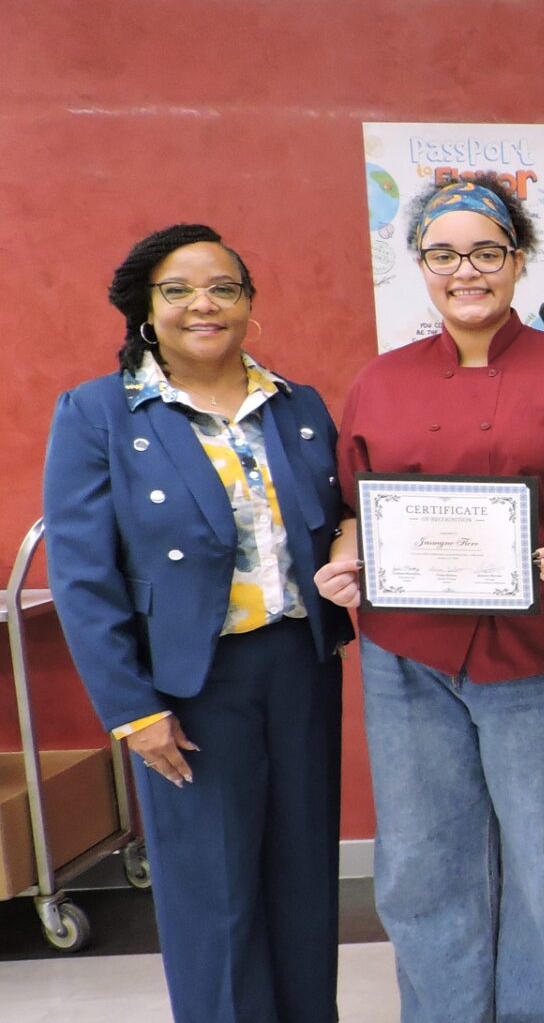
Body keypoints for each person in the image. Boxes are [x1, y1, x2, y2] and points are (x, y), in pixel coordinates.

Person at [313, 176, 544, 1023]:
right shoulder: (379, 381)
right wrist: (348, 559)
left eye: (488, 251)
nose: (467, 270)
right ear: (419, 264)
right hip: (408, 658)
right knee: (423, 868)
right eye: (445, 253)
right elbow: (352, 506)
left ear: (520, 259)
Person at [43, 224, 353, 1023]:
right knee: (214, 897)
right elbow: (83, 577)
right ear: (147, 309)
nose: (202, 305)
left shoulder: (296, 404)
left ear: (250, 304)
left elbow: (340, 519)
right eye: (177, 291)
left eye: (223, 288)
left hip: (301, 667)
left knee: (304, 881)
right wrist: (132, 711)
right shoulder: (99, 412)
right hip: (187, 686)